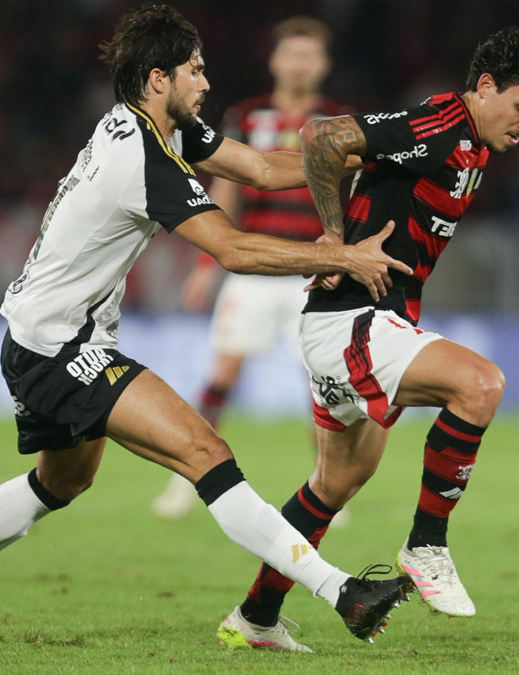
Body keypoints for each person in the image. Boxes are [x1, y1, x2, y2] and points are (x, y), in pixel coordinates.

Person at [0, 4, 409, 646]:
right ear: (158, 78)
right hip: (60, 348)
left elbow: (265, 169)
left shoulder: (156, 127)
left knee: (63, 481)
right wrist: (342, 256)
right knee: (205, 454)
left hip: (39, 336)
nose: (206, 83)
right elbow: (233, 250)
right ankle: (342, 592)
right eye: (195, 71)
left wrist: (374, 154)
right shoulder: (144, 157)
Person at [215, 26, 519, 651]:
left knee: (334, 484)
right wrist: (334, 240)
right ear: (485, 86)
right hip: (351, 320)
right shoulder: (442, 123)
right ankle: (427, 544)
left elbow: (350, 163)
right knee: (480, 384)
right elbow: (322, 136)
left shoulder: (473, 146)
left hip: (359, 321)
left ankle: (255, 618)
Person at [150, 16, 355, 523]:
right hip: (254, 268)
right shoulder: (246, 115)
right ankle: (185, 480)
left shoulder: (340, 120)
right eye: (292, 53)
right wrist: (206, 264)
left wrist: (345, 254)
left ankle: (329, 489)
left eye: (309, 55)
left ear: (324, 64)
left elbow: (353, 193)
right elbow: (227, 188)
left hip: (313, 271)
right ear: (275, 60)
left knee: (322, 382)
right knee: (223, 374)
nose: (300, 63)